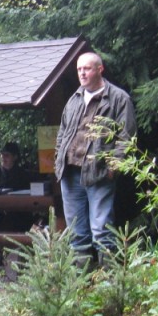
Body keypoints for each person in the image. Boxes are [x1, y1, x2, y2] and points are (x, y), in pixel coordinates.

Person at [54, 51, 138, 263]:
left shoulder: (119, 99)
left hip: (99, 173)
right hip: (70, 173)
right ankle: (82, 282)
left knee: (101, 230)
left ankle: (108, 283)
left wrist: (113, 168)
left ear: (100, 69)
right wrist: (58, 161)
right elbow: (62, 133)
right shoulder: (74, 99)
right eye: (79, 69)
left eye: (87, 69)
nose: (82, 73)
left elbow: (127, 137)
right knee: (76, 233)